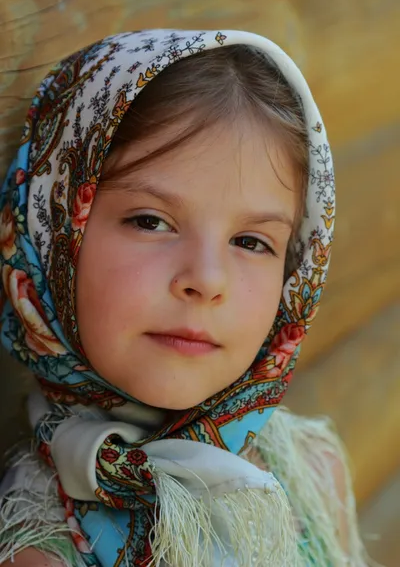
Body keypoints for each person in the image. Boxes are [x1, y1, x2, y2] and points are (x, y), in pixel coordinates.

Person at [0, 29, 376, 566]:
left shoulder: (313, 472)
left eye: (251, 241)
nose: (206, 278)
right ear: (54, 236)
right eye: (150, 221)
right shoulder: (41, 551)